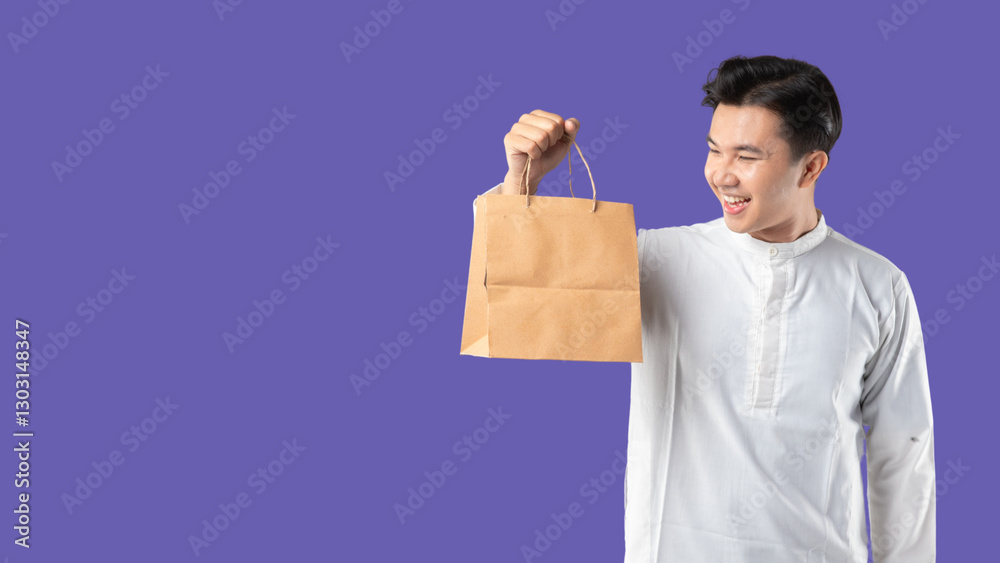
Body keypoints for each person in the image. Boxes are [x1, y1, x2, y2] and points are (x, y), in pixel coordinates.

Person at [472, 55, 935, 561]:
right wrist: (522, 185)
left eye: (747, 157)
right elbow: (515, 307)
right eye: (714, 150)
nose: (721, 175)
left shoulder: (877, 286)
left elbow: (903, 456)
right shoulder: (653, 259)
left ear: (811, 166)